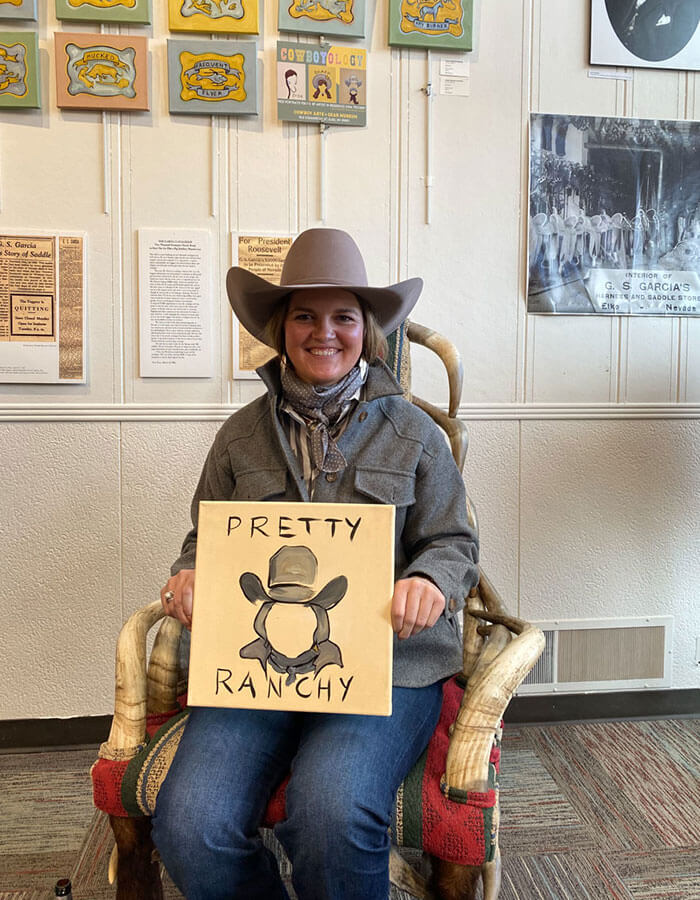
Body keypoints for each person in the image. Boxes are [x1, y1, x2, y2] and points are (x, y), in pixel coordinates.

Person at [151, 227, 479, 900]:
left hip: (389, 667)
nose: (322, 332)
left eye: (342, 316)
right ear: (279, 327)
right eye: (304, 314)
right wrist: (190, 574)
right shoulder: (239, 436)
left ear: (368, 330)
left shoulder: (415, 434)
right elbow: (204, 539)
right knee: (189, 823)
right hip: (254, 669)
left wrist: (428, 580)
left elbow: (455, 544)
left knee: (332, 813)